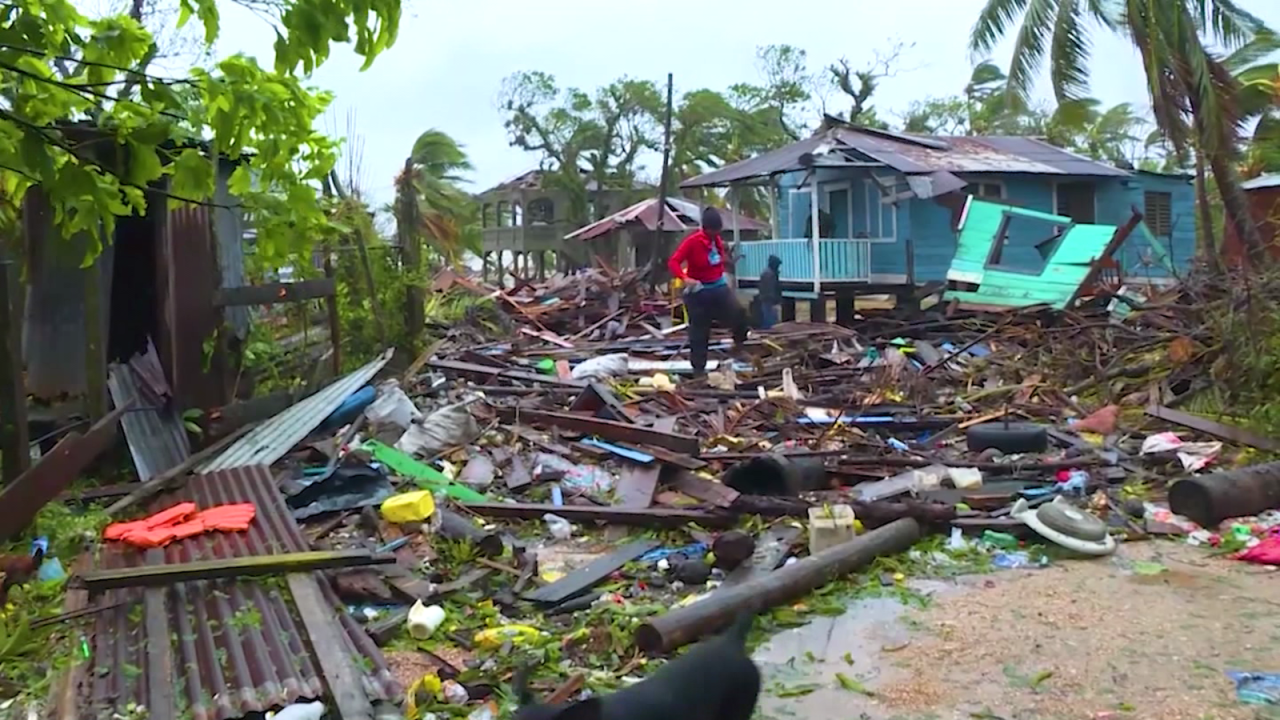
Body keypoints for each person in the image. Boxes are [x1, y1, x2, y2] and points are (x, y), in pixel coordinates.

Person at [668, 207, 749, 376]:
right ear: (706, 228)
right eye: (713, 231)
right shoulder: (693, 242)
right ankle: (698, 369)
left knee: (739, 313)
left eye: (718, 231)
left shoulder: (717, 241)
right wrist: (685, 278)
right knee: (699, 331)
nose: (716, 234)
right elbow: (673, 262)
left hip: (718, 287)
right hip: (699, 291)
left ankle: (738, 345)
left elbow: (719, 259)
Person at [756, 254, 782, 329]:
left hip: (768, 298)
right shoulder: (769, 274)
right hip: (768, 299)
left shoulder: (769, 273)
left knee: (769, 318)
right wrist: (775, 299)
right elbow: (770, 288)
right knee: (769, 319)